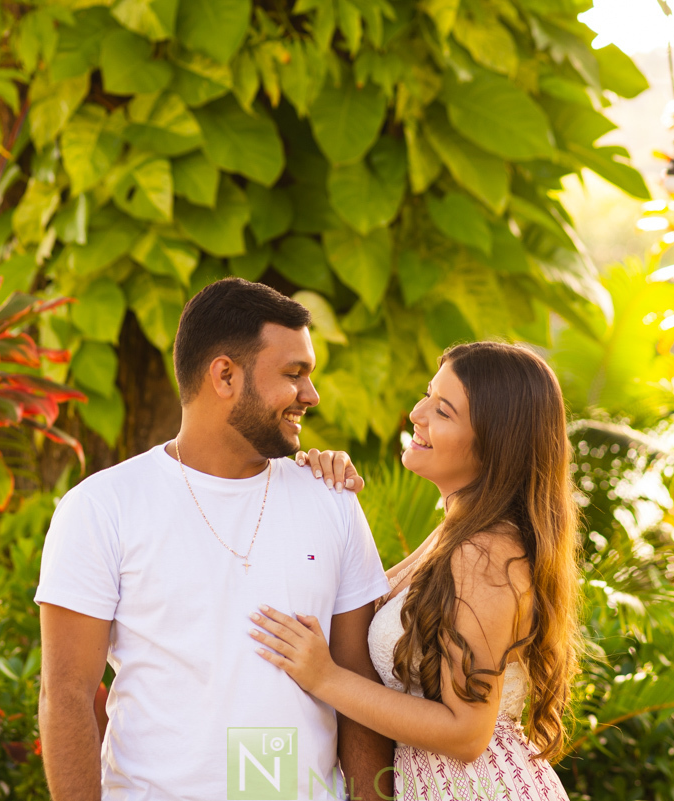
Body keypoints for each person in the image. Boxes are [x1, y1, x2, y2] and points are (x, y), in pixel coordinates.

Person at [35, 277, 395, 801]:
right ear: (225, 375)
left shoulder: (332, 499)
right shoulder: (102, 508)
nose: (310, 396)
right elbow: (65, 696)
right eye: (294, 375)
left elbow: (357, 682)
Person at [253, 342, 582, 801]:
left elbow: (467, 734)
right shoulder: (457, 532)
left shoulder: (484, 554)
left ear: (493, 442)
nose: (416, 413)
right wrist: (328, 483)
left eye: (443, 411)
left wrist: (325, 677)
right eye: (428, 394)